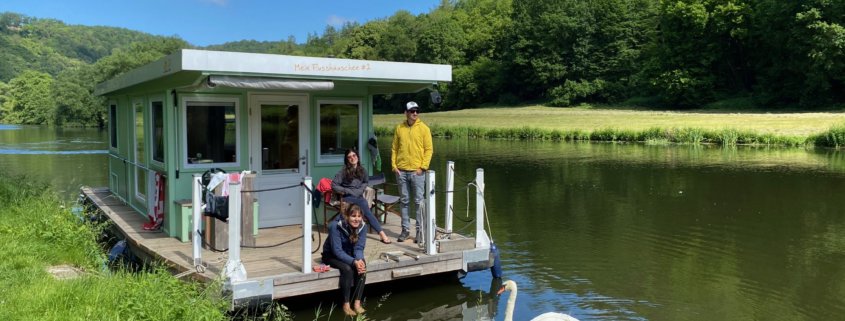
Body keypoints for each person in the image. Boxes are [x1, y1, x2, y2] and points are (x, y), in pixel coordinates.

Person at [391, 101, 433, 243]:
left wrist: (423, 168)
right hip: (401, 171)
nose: (415, 113)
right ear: (406, 112)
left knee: (419, 202)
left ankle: (420, 232)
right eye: (412, 111)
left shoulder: (424, 129)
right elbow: (394, 149)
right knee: (404, 201)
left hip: (417, 172)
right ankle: (405, 230)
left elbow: (429, 150)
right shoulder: (399, 128)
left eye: (417, 111)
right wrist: (394, 166)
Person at [332, 148, 392, 244]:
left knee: (368, 213)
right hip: (348, 197)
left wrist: (360, 190)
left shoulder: (363, 170)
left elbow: (365, 182)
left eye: (354, 155)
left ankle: (382, 234)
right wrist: (346, 190)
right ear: (347, 159)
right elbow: (334, 185)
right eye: (349, 157)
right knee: (344, 215)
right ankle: (336, 234)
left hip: (359, 197)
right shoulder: (343, 172)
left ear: (357, 157)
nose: (352, 158)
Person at [321, 204, 368, 316]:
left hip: (349, 253)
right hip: (331, 255)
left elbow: (359, 248)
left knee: (363, 265)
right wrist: (353, 262)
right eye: (353, 216)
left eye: (359, 216)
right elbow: (337, 251)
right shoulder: (335, 226)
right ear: (347, 216)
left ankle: (357, 303)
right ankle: (346, 305)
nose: (356, 219)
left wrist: (359, 260)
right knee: (347, 269)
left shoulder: (363, 227)